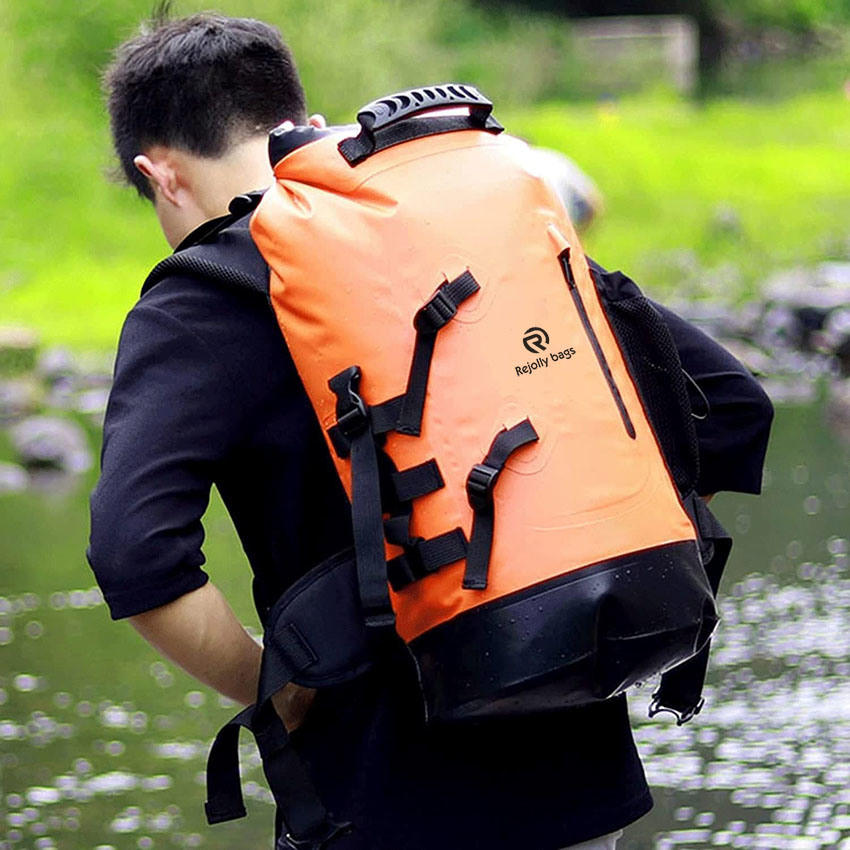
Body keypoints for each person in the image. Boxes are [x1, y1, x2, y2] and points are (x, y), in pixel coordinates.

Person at [87, 10, 774, 850]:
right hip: (581, 782)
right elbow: (731, 405)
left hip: (382, 802)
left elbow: (135, 554)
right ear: (295, 118)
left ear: (159, 176)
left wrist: (280, 691)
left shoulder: (199, 297)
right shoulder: (468, 230)